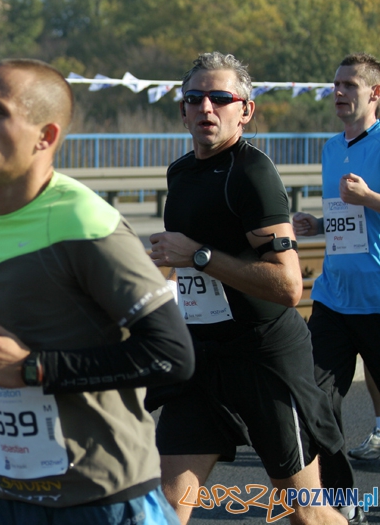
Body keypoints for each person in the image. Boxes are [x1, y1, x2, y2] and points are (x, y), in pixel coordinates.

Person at [0, 58, 195, 525]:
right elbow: (34, 339)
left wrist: (32, 369)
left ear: (46, 136)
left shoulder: (86, 222)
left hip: (98, 498)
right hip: (0, 492)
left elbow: (171, 355)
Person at [148, 52, 348, 525]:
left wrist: (199, 255)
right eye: (194, 98)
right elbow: (183, 265)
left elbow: (288, 285)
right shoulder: (181, 172)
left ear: (246, 111)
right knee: (163, 508)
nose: (206, 108)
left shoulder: (253, 174)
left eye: (221, 98)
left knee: (305, 513)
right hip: (202, 356)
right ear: (182, 111)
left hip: (263, 357)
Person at [292, 52, 380, 520]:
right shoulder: (330, 148)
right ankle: (341, 503)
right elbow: (350, 218)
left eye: (350, 85)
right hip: (334, 298)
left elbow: (366, 205)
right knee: (315, 400)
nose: (339, 92)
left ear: (375, 94)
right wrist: (319, 223)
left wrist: (370, 197)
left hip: (378, 299)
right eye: (336, 84)